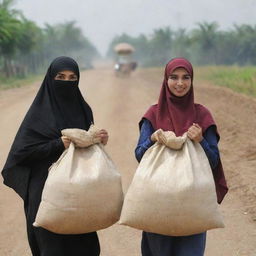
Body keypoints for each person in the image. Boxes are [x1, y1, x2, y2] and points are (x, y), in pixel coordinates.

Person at [2, 56, 108, 256]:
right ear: (50, 79)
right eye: (60, 77)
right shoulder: (38, 114)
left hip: (79, 193)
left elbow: (86, 148)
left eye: (72, 78)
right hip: (45, 195)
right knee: (52, 249)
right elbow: (21, 154)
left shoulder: (84, 109)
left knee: (85, 247)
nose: (66, 83)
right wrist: (58, 144)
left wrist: (97, 139)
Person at [135, 57, 228, 256]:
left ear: (192, 81)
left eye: (186, 77)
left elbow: (213, 161)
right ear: (165, 81)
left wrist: (200, 140)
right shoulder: (153, 115)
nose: (180, 83)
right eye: (173, 77)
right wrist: (152, 138)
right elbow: (139, 156)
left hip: (192, 203)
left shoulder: (202, 115)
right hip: (158, 201)